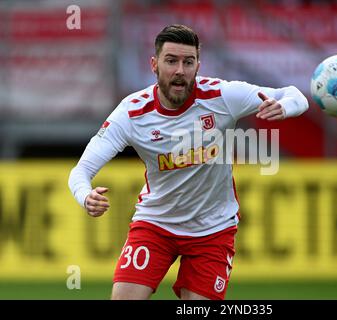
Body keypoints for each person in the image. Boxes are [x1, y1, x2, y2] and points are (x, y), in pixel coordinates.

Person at [68, 24, 309, 300]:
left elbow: (294, 93)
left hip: (212, 229)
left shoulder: (222, 96)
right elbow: (81, 171)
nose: (180, 70)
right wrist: (85, 196)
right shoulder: (132, 112)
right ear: (154, 65)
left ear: (198, 65)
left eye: (188, 62)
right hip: (156, 224)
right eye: (171, 61)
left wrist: (284, 107)